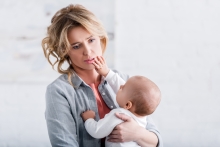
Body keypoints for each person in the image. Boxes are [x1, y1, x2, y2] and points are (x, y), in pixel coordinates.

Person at [42, 4, 163, 147]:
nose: (88, 51)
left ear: (100, 38)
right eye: (76, 46)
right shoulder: (59, 91)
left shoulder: (125, 81)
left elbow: (156, 141)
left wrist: (137, 133)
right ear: (65, 50)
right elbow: (64, 144)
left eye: (91, 40)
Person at [81, 56, 161, 147]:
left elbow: (97, 131)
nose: (120, 86)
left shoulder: (119, 115)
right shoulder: (142, 118)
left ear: (127, 104)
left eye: (123, 88)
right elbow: (125, 88)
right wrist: (107, 73)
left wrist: (89, 119)